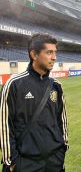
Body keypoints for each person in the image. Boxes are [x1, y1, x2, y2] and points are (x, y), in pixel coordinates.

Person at [0, 33, 68, 172]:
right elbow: (4, 126)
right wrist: (12, 162)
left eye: (55, 52)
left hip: (55, 160)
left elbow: (62, 120)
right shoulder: (14, 84)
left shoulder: (56, 86)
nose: (54, 57)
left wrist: (63, 148)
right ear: (34, 55)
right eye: (49, 52)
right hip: (25, 162)